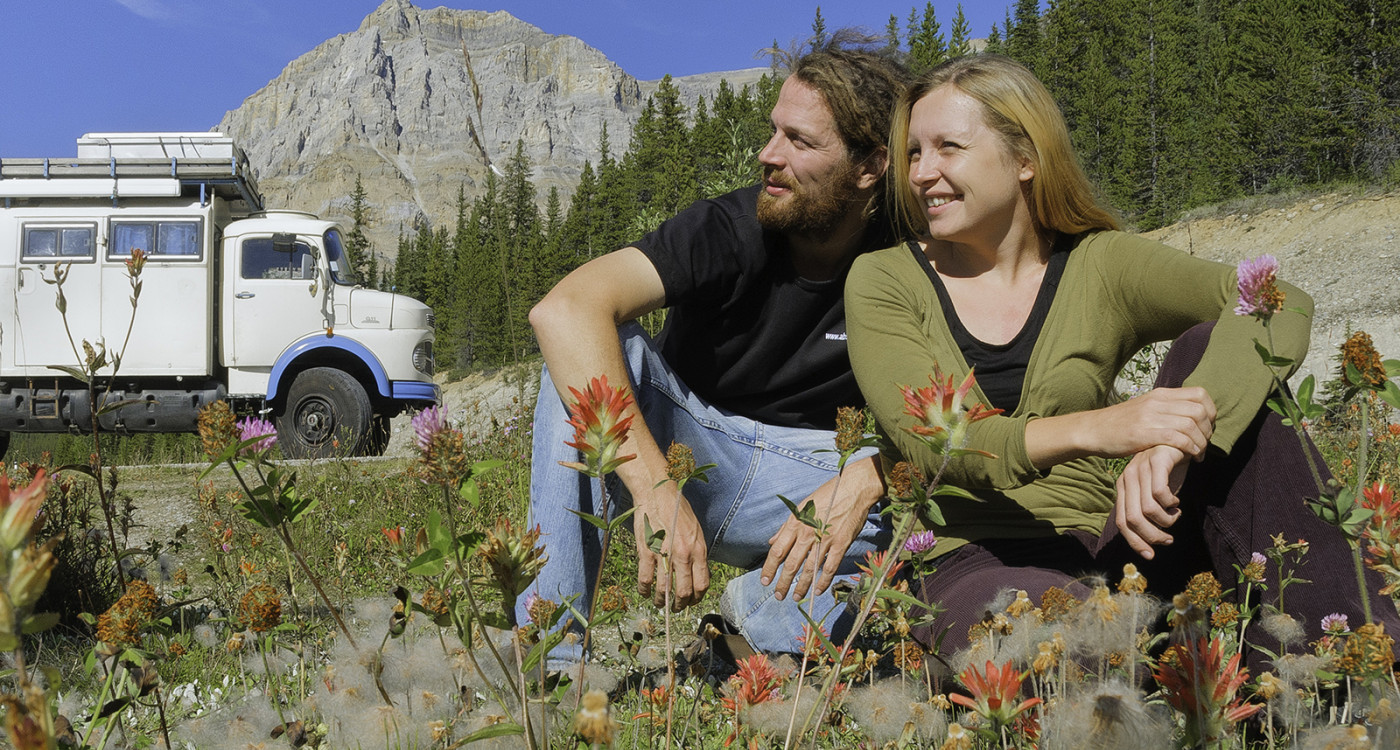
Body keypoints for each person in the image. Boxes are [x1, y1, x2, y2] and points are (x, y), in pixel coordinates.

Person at [844, 54, 1399, 665]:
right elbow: (940, 445)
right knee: (1061, 654)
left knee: (1209, 355)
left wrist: (1171, 444)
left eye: (949, 147)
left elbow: (1275, 301)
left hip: (1116, 547)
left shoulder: (1098, 265)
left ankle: (1353, 669)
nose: (923, 172)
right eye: (915, 152)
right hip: (971, 559)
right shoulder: (884, 280)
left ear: (1025, 158)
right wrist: (1106, 427)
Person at [519, 46, 908, 658]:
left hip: (812, 480)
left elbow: (982, 392)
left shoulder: (911, 259)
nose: (768, 155)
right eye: (772, 130)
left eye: (800, 141)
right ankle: (552, 665)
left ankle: (754, 613)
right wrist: (654, 490)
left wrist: (870, 474)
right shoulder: (729, 227)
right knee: (588, 364)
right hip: (690, 453)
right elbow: (563, 311)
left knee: (923, 516)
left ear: (870, 167)